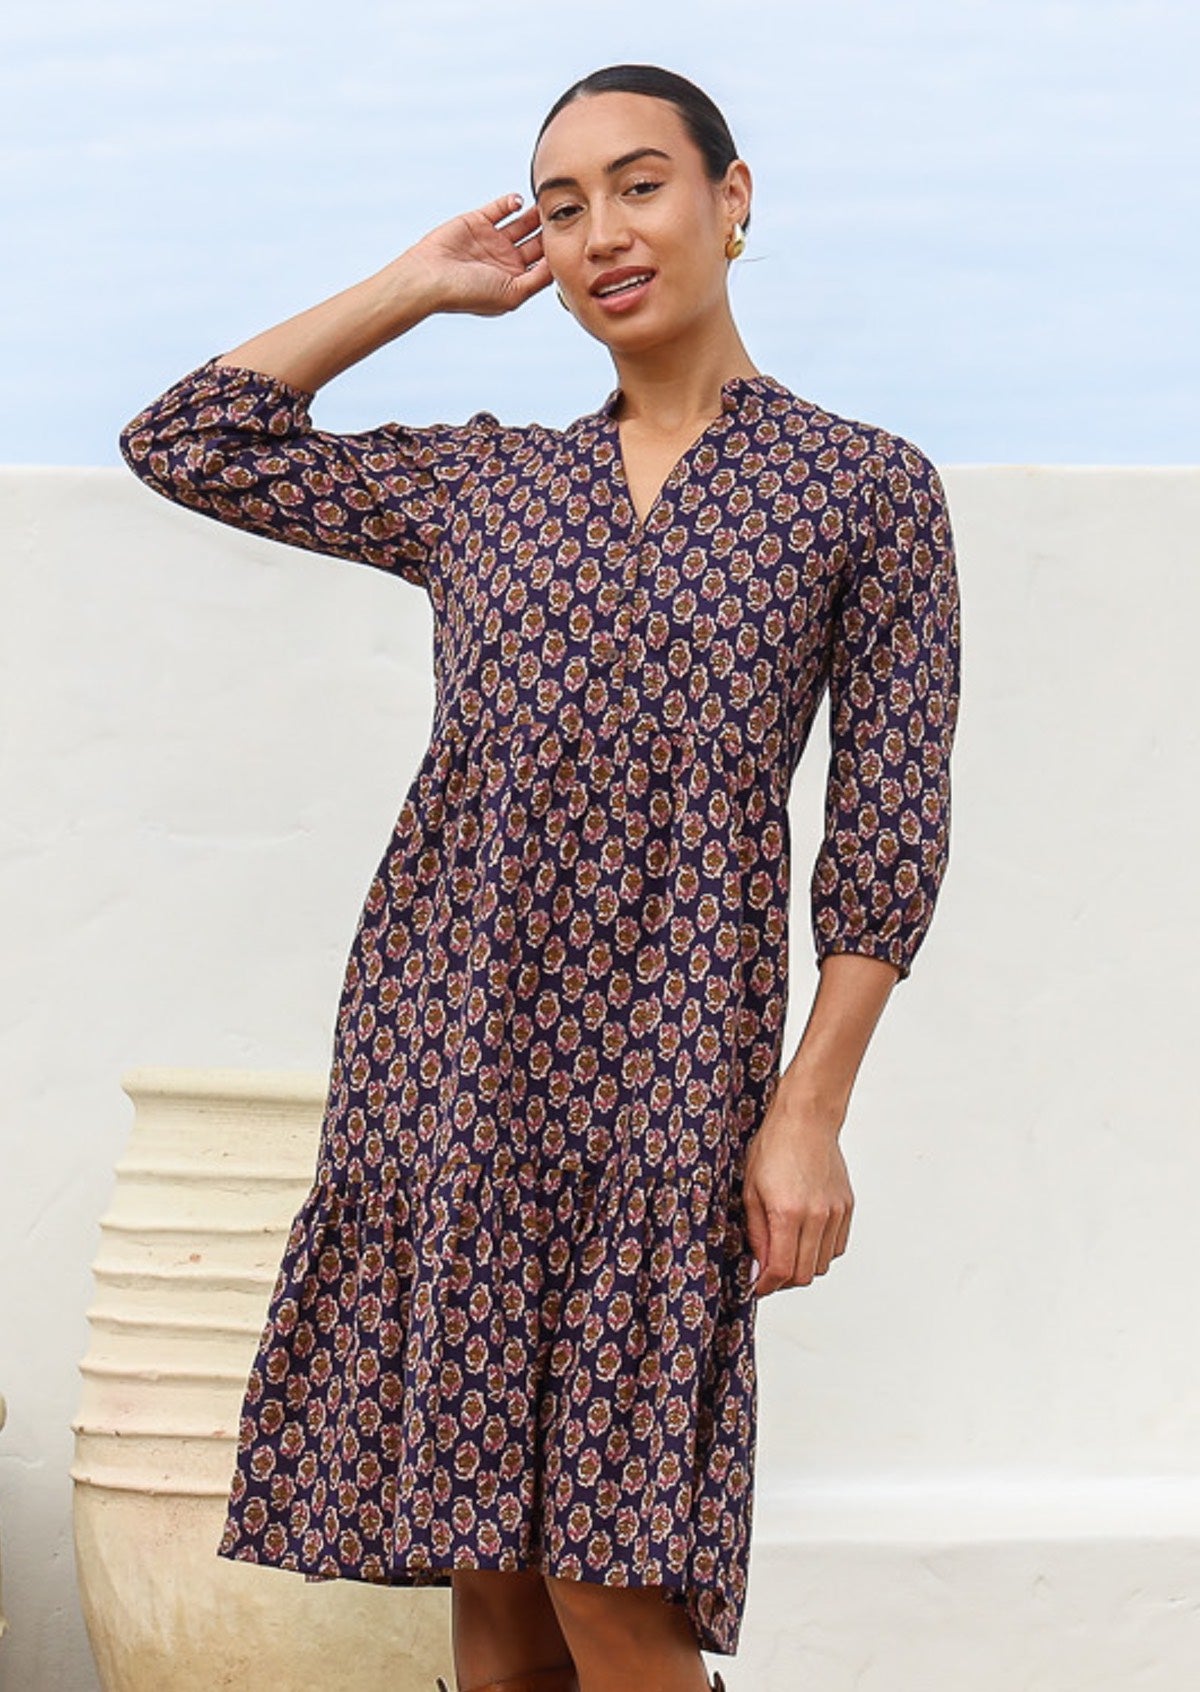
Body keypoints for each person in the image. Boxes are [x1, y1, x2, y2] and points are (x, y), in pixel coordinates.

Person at [118, 61, 961, 1692]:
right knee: (498, 1609)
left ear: (730, 198)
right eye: (563, 208)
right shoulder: (486, 484)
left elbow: (888, 831)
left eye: (640, 185)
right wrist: (418, 286)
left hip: (674, 1080)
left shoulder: (863, 489)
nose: (601, 235)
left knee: (613, 1591)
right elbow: (188, 438)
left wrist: (808, 1110)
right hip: (451, 1067)